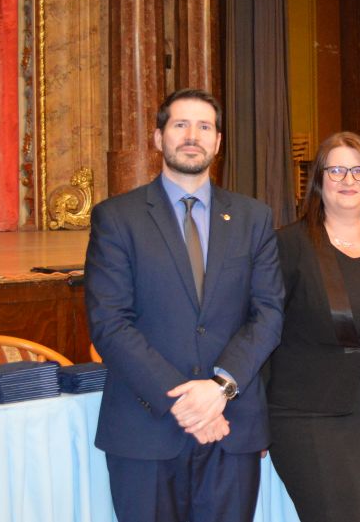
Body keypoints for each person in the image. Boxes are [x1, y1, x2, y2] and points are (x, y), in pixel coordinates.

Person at [85, 88, 285, 522]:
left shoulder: (253, 218)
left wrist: (220, 388)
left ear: (218, 141)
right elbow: (109, 323)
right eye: (180, 125)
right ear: (159, 138)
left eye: (204, 127)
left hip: (231, 426)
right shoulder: (117, 218)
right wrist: (185, 403)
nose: (192, 136)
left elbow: (268, 314)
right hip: (145, 429)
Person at [267, 131, 360, 522]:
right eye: (336, 170)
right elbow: (263, 330)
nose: (348, 180)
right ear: (319, 180)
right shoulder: (288, 246)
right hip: (305, 414)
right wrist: (252, 414)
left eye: (359, 170)